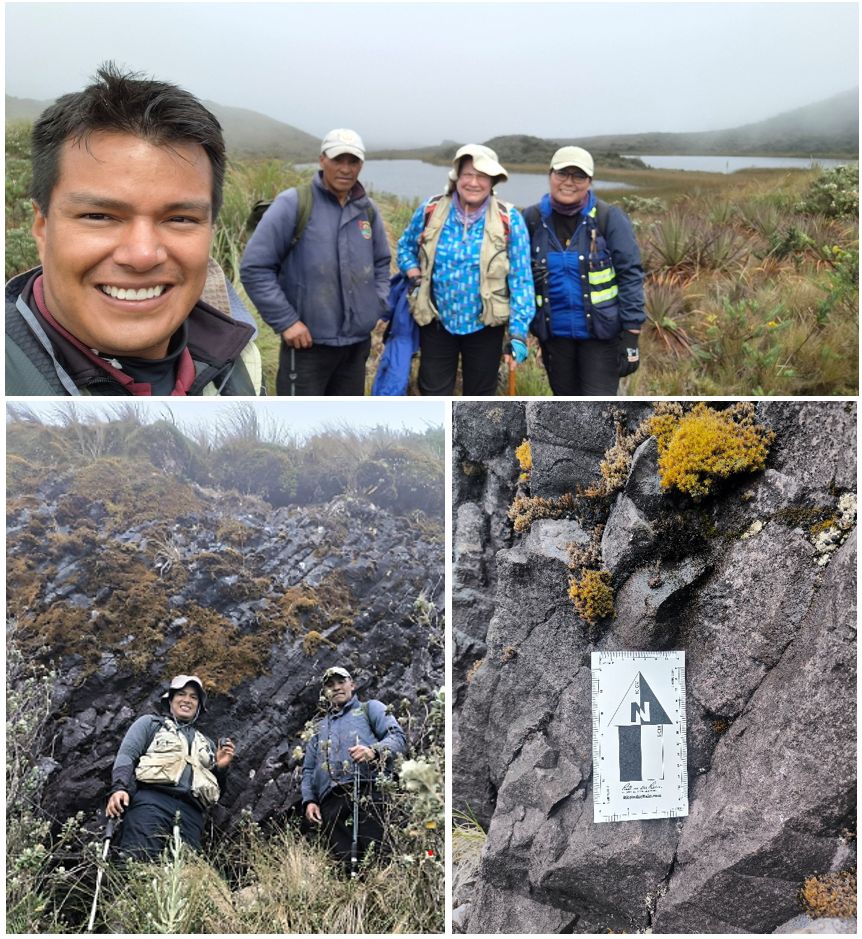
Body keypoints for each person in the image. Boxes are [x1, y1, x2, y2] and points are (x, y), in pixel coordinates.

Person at [5, 62, 263, 396]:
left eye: (180, 219)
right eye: (99, 216)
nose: (142, 255)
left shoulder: (240, 358)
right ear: (41, 227)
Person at [240, 129, 391, 395]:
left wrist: (376, 304)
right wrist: (286, 322)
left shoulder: (367, 210)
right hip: (306, 347)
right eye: (337, 160)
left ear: (361, 165)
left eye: (352, 161)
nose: (345, 169)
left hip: (356, 346)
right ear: (322, 160)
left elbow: (381, 262)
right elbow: (255, 268)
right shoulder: (293, 204)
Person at [396, 144, 535, 396]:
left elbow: (522, 280)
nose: (473, 182)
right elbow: (404, 248)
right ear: (456, 177)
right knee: (433, 393)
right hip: (437, 322)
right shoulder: (431, 209)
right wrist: (414, 275)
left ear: (493, 180)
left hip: (486, 327)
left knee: (480, 399)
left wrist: (518, 333)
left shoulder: (509, 219)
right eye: (467, 174)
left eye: (481, 176)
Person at [523, 146, 645, 395]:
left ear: (589, 181)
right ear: (550, 176)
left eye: (578, 176)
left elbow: (630, 274)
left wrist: (631, 335)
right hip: (555, 339)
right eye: (561, 174)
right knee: (565, 406)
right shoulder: (532, 219)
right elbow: (517, 275)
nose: (569, 182)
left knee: (599, 406)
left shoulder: (608, 218)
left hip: (601, 338)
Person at [105, 675, 235, 859]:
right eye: (181, 694)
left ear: (199, 706)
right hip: (151, 803)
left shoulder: (207, 744)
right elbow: (127, 755)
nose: (187, 700)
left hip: (192, 814)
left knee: (183, 876)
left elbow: (219, 789)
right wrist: (119, 788)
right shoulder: (150, 724)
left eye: (194, 697)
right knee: (136, 861)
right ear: (170, 699)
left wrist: (221, 768)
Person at [301, 666, 407, 871]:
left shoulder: (371, 708)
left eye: (341, 682)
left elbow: (398, 737)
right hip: (330, 801)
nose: (337, 688)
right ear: (325, 693)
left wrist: (373, 751)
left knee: (378, 856)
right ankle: (356, 899)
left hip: (369, 790)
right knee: (343, 863)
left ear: (352, 684)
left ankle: (385, 894)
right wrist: (310, 800)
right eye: (330, 685)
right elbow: (308, 769)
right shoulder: (318, 729)